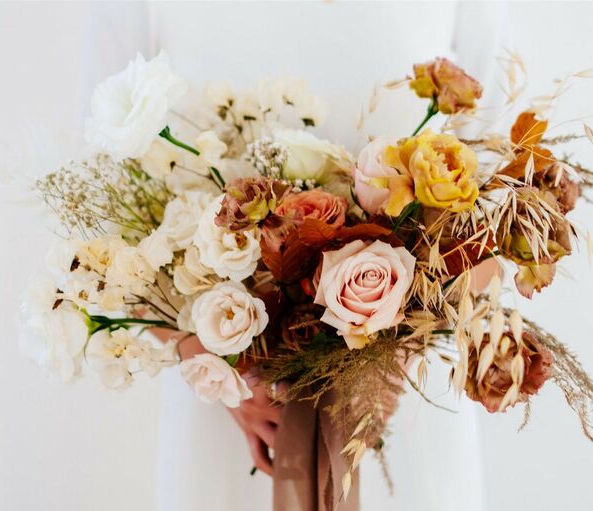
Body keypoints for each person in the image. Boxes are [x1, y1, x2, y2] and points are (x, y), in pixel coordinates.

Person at [81, 3, 511, 509]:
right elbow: (102, 189)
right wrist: (208, 357)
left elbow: (501, 191)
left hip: (406, 390)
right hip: (229, 394)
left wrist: (399, 358)